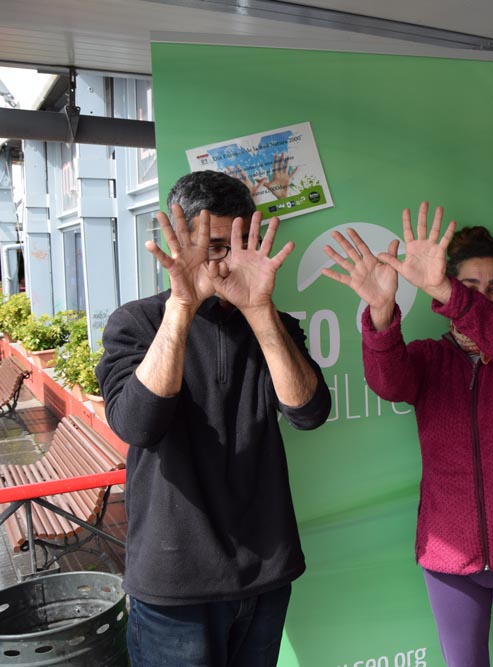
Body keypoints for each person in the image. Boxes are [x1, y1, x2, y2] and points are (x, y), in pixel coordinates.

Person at [96, 170, 331, 667]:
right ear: (176, 241)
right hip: (172, 582)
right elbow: (137, 425)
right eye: (210, 245)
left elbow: (309, 413)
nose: (220, 263)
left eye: (235, 245)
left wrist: (260, 310)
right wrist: (183, 304)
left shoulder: (274, 324)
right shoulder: (134, 323)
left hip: (267, 573)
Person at [322, 202, 493, 667]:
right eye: (468, 287)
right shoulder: (430, 359)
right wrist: (380, 312)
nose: (481, 298)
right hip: (448, 553)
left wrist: (445, 289)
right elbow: (388, 381)